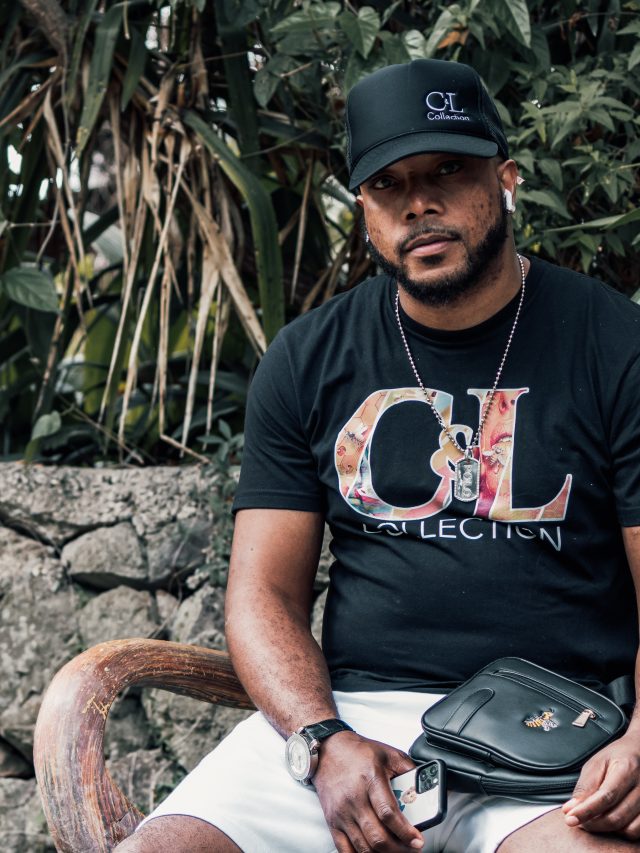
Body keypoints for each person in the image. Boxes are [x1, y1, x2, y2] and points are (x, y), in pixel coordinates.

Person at [117, 59, 640, 853]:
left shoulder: (614, 344)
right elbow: (261, 594)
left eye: (448, 171)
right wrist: (320, 737)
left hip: (557, 729)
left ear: (506, 181)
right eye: (388, 184)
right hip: (356, 722)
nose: (418, 203)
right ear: (363, 210)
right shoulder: (309, 357)